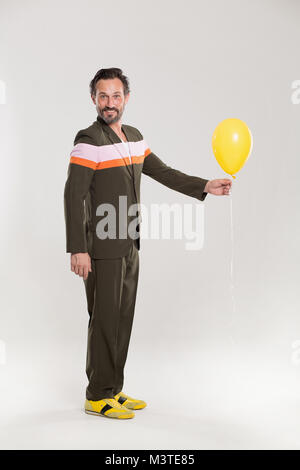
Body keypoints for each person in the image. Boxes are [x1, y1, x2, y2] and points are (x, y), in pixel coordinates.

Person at [63, 67, 232, 420]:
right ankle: (96, 395)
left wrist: (204, 185)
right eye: (103, 96)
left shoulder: (135, 137)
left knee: (122, 318)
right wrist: (78, 248)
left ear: (126, 98)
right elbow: (73, 194)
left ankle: (114, 389)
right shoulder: (88, 140)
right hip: (102, 245)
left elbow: (162, 171)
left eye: (116, 95)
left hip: (130, 243)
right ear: (93, 99)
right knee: (104, 318)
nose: (110, 103)